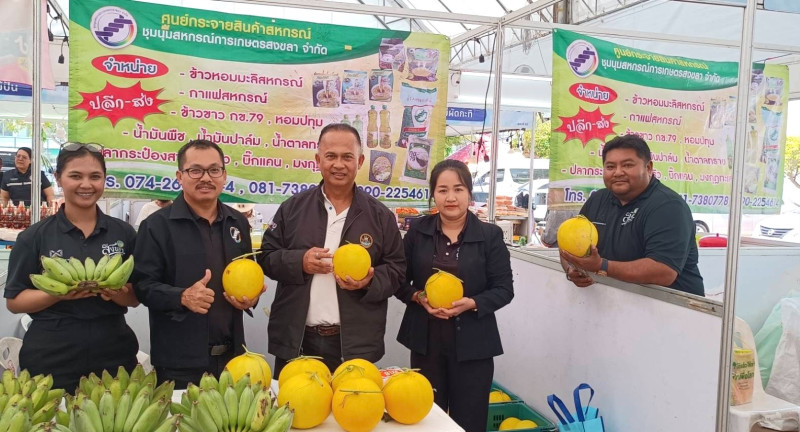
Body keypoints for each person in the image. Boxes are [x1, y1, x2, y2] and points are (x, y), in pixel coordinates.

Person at [259, 123, 405, 374]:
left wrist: (369, 281)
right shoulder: (292, 209)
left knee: (351, 400)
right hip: (297, 341)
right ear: (318, 160)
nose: (339, 164)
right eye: (331, 156)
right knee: (295, 400)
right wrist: (300, 262)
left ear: (360, 161)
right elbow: (267, 256)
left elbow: (397, 269)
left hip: (354, 345)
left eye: (347, 157)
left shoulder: (379, 216)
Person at [4, 143, 139, 392]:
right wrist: (57, 294)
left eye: (95, 176)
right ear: (58, 178)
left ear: (104, 179)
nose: (86, 184)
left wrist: (116, 293)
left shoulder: (123, 233)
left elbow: (135, 298)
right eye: (75, 176)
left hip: (113, 348)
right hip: (51, 351)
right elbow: (14, 301)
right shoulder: (34, 237)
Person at [395, 159, 514, 432]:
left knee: (469, 422)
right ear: (433, 194)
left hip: (474, 346)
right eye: (442, 190)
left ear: (469, 193)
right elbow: (398, 279)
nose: (450, 197)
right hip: (426, 343)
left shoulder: (489, 235)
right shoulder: (417, 232)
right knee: (426, 419)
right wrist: (417, 297)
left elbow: (504, 289)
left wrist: (472, 303)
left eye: (458, 189)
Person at [133, 139, 260, 388]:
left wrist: (251, 297)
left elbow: (247, 273)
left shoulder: (238, 222)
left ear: (224, 176)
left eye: (214, 170)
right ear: (180, 176)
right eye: (195, 171)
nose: (206, 178)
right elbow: (142, 286)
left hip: (233, 359)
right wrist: (181, 297)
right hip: (179, 364)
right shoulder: (157, 226)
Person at [560, 134, 704, 295]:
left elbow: (664, 272)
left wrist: (602, 266)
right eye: (610, 167)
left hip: (674, 306)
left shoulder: (668, 206)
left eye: (627, 165)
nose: (618, 172)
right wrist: (572, 269)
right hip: (617, 303)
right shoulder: (597, 200)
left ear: (648, 168)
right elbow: (568, 248)